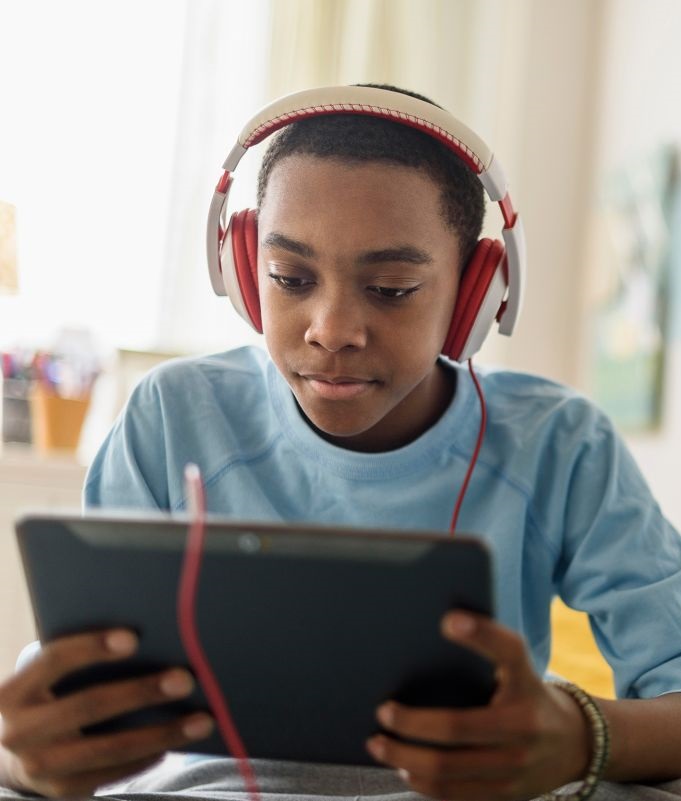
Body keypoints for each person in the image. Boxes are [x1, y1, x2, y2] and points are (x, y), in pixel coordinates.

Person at [1, 84, 681, 801]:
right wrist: (24, 763)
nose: (330, 328)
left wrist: (580, 736)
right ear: (242, 268)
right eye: (289, 278)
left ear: (475, 295)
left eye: (390, 288)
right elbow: (70, 706)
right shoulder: (173, 415)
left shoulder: (556, 443)